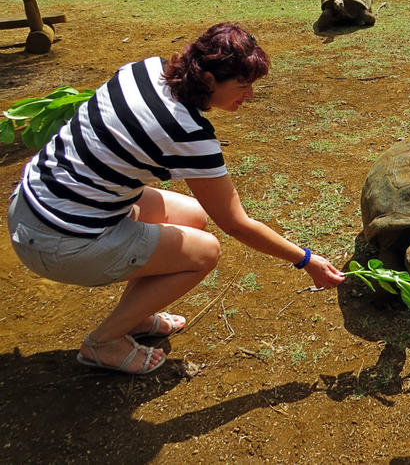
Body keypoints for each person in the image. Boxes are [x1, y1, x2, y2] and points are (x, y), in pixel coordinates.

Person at [6, 23, 345, 375]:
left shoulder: (145, 69)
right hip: (57, 242)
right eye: (243, 86)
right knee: (205, 251)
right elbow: (236, 224)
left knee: (192, 217)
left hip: (33, 202)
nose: (249, 97)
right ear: (210, 80)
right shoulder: (187, 133)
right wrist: (305, 260)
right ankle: (103, 343)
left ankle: (135, 317)